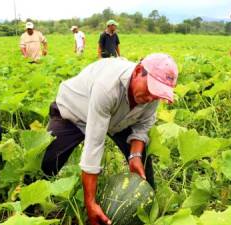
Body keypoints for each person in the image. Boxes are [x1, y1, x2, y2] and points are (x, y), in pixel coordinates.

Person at [41, 53, 178, 225]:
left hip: (119, 120)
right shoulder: (108, 86)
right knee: (45, 163)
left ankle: (147, 213)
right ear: (137, 72)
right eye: (150, 89)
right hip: (75, 112)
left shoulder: (151, 97)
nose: (151, 98)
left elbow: (143, 126)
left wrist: (135, 156)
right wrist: (90, 203)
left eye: (157, 94)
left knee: (143, 160)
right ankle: (30, 208)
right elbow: (94, 145)